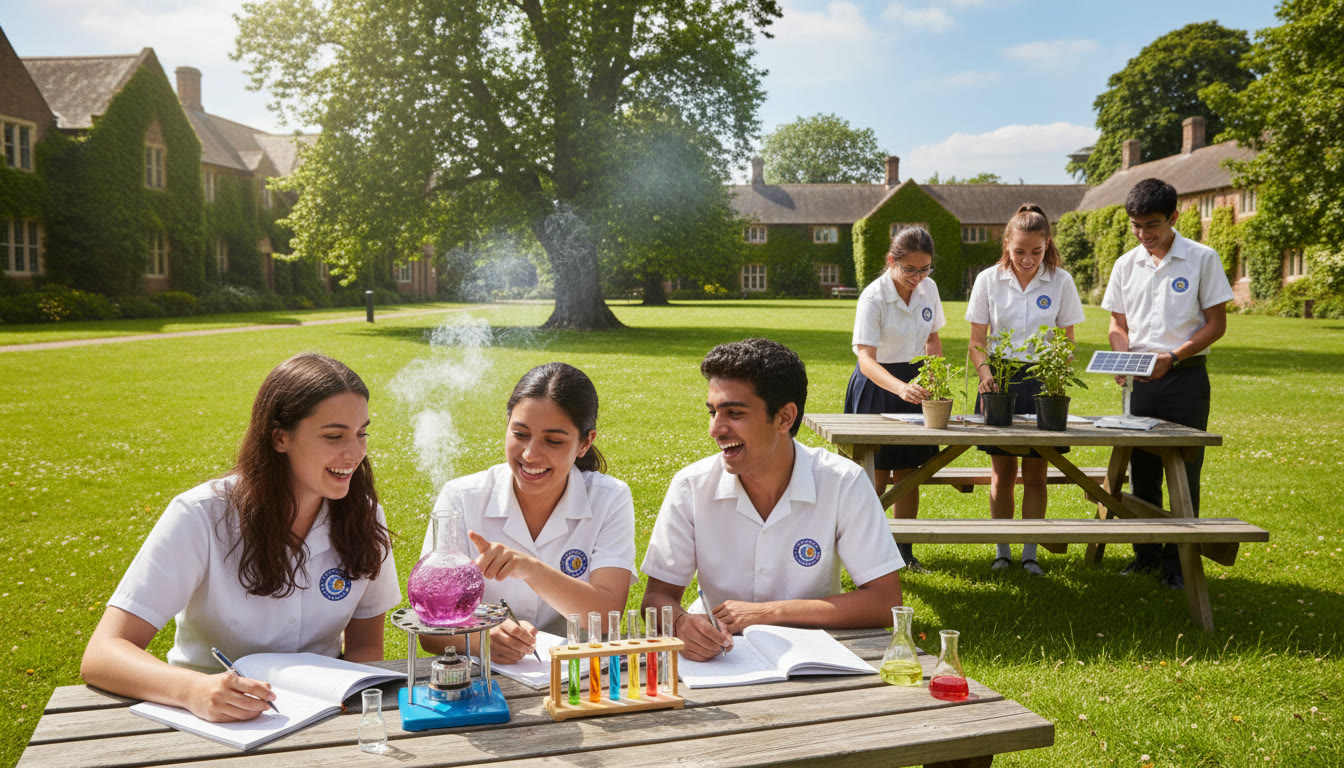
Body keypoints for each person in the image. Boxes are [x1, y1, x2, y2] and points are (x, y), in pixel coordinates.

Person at [81, 353, 400, 722]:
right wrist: (192, 690)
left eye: (362, 433)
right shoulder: (200, 515)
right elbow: (104, 652)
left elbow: (365, 646)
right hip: (208, 718)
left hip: (323, 715)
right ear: (280, 437)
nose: (355, 452)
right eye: (334, 436)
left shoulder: (362, 514)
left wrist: (345, 712)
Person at [641, 338, 904, 661]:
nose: (715, 429)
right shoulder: (691, 486)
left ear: (784, 418)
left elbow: (884, 601)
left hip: (813, 660)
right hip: (719, 660)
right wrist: (681, 623)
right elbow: (657, 597)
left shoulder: (842, 482)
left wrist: (767, 612)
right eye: (712, 412)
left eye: (734, 413)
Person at [419, 362, 634, 663]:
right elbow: (429, 629)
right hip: (484, 682)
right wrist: (478, 638)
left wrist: (529, 568)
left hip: (576, 679)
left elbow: (607, 617)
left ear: (585, 443)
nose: (530, 454)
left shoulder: (609, 498)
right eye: (520, 434)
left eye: (554, 441)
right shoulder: (461, 498)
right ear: (506, 425)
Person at [1101, 178, 1233, 589]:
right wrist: (1123, 354)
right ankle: (1146, 555)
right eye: (1136, 226)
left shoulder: (1201, 259)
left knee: (1184, 471)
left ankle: (1178, 565)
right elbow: (1117, 323)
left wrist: (1173, 357)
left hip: (1185, 379)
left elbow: (1217, 324)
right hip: (1141, 381)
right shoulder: (1126, 264)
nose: (1144, 235)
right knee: (1141, 472)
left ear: (1174, 217)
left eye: (1152, 225)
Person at [966, 204, 1085, 576]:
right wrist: (985, 374)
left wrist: (1053, 379)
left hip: (1042, 380)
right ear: (1007, 243)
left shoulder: (1061, 281)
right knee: (1002, 472)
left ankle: (1030, 554)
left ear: (1046, 244)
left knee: (1036, 473)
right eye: (1019, 251)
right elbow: (976, 342)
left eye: (1036, 251)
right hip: (999, 378)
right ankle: (1002, 551)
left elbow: (1067, 342)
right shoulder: (988, 279)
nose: (1028, 259)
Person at [844, 226, 946, 572]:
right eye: (910, 269)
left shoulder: (928, 289)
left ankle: (904, 553)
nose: (918, 277)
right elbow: (866, 360)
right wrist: (900, 387)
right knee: (875, 474)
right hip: (877, 385)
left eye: (925, 269)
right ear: (892, 261)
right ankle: (866, 555)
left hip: (914, 383)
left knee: (908, 472)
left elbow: (932, 338)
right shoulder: (873, 298)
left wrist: (933, 369)